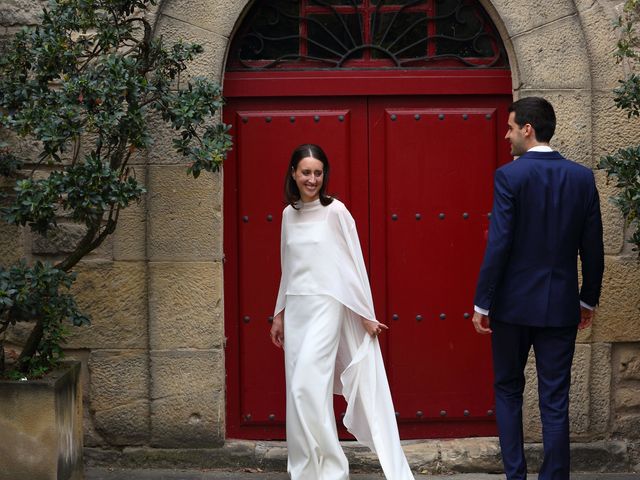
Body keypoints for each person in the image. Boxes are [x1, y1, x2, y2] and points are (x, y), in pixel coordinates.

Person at [472, 97, 605, 480]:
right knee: (555, 398)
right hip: (561, 305)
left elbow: (499, 243)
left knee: (509, 390)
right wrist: (587, 298)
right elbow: (592, 248)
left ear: (527, 129)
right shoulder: (582, 178)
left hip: (512, 307)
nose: (507, 135)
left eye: (511, 127)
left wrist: (483, 301)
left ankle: (516, 475)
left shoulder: (509, 176)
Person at [270, 144, 414, 480]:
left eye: (318, 173)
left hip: (326, 308)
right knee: (300, 392)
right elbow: (287, 268)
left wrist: (365, 312)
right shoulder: (287, 215)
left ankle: (333, 468)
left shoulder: (336, 211)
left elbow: (353, 265)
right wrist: (279, 313)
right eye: (306, 172)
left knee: (307, 386)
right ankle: (305, 468)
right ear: (293, 173)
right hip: (297, 309)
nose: (312, 179)